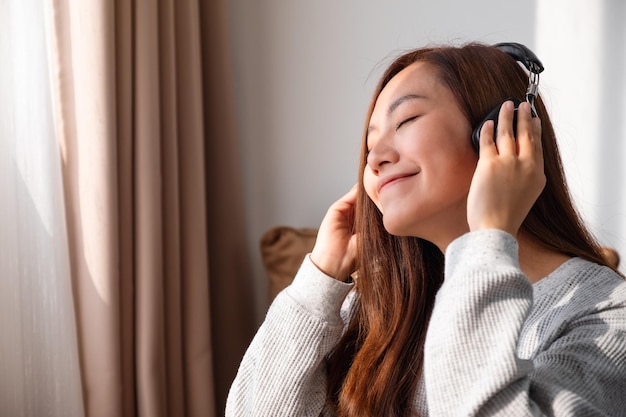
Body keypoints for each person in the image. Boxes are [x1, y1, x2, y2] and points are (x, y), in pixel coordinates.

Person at [225, 42, 626, 416]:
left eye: (406, 120)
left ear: (505, 133)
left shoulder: (606, 313)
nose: (376, 158)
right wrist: (320, 280)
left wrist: (488, 236)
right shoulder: (379, 306)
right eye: (369, 144)